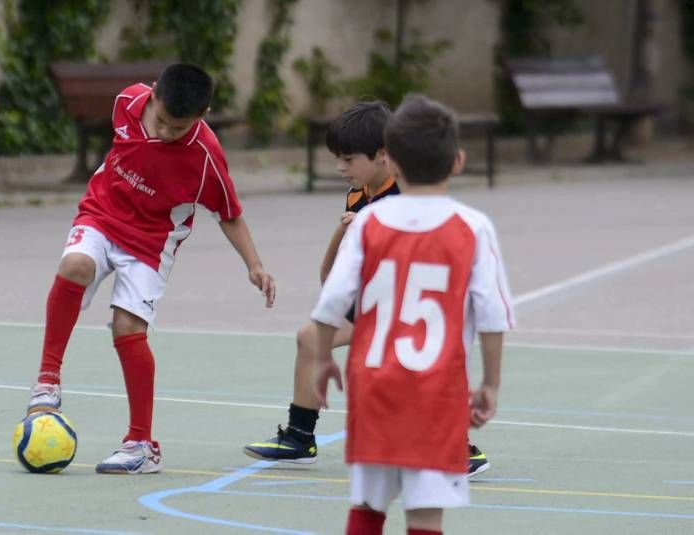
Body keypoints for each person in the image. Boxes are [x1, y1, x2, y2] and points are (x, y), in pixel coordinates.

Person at [26, 63, 275, 475]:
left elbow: (229, 214)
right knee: (75, 264)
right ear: (154, 93)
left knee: (127, 327)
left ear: (203, 115)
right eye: (160, 120)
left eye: (177, 129)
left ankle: (141, 443)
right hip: (101, 215)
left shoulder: (206, 156)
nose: (164, 133)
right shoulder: (127, 101)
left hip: (151, 244)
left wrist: (255, 265)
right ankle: (47, 380)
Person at [242, 101, 492, 477]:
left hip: (417, 304)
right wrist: (346, 229)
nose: (340, 168)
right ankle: (298, 437)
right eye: (337, 159)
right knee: (310, 337)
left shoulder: (410, 195)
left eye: (348, 159)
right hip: (376, 299)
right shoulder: (359, 197)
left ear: (382, 155)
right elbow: (331, 276)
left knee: (412, 370)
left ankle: (460, 447)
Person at [310, 95, 514, 535]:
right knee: (424, 517)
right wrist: (491, 384)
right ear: (458, 161)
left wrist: (324, 357)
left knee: (366, 508)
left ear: (393, 162)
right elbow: (493, 315)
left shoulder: (369, 221)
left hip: (374, 387)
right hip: (436, 393)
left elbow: (331, 298)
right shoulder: (472, 227)